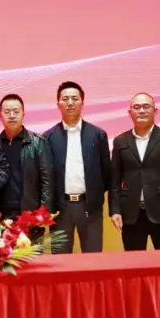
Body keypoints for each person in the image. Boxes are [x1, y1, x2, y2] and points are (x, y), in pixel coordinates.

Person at [109, 93, 160, 250]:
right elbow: (114, 181)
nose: (141, 111)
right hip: (131, 214)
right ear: (130, 112)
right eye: (137, 107)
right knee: (134, 261)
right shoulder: (120, 141)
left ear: (155, 111)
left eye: (146, 107)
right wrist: (115, 210)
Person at [42, 81, 110, 253]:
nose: (70, 103)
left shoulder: (98, 135)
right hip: (60, 209)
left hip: (90, 208)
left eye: (75, 98)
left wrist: (94, 195)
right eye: (65, 99)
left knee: (93, 258)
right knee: (61, 260)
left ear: (82, 103)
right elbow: (45, 176)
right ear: (58, 104)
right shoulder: (47, 138)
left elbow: (106, 174)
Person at [0, 94, 53, 223]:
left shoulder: (38, 143)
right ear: (0, 116)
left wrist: (43, 214)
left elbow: (47, 182)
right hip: (1, 215)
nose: (12, 116)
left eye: (16, 111)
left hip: (29, 214)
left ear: (23, 115)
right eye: (7, 112)